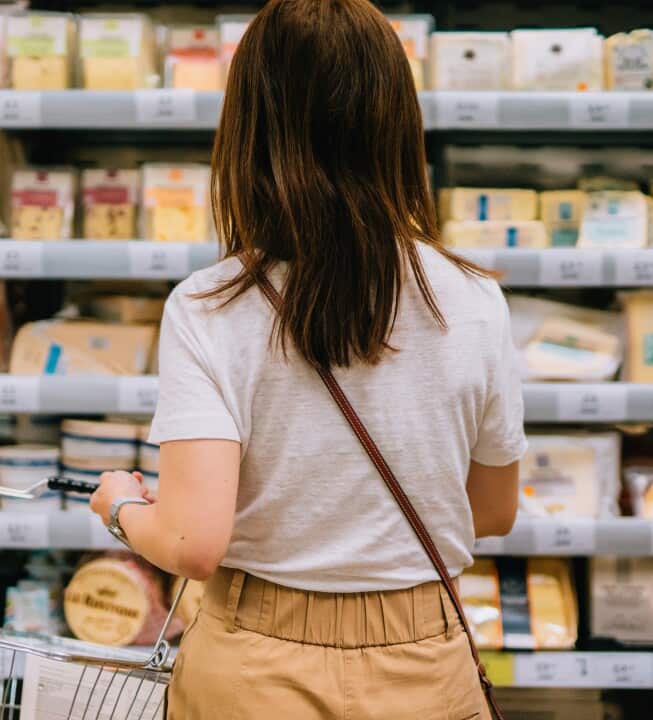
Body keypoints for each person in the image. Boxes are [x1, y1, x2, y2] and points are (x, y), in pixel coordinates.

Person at [89, 0, 527, 716]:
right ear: (395, 122)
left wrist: (120, 506)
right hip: (423, 660)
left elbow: (193, 543)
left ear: (250, 129)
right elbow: (493, 509)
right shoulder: (474, 299)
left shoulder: (210, 306)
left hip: (256, 666)